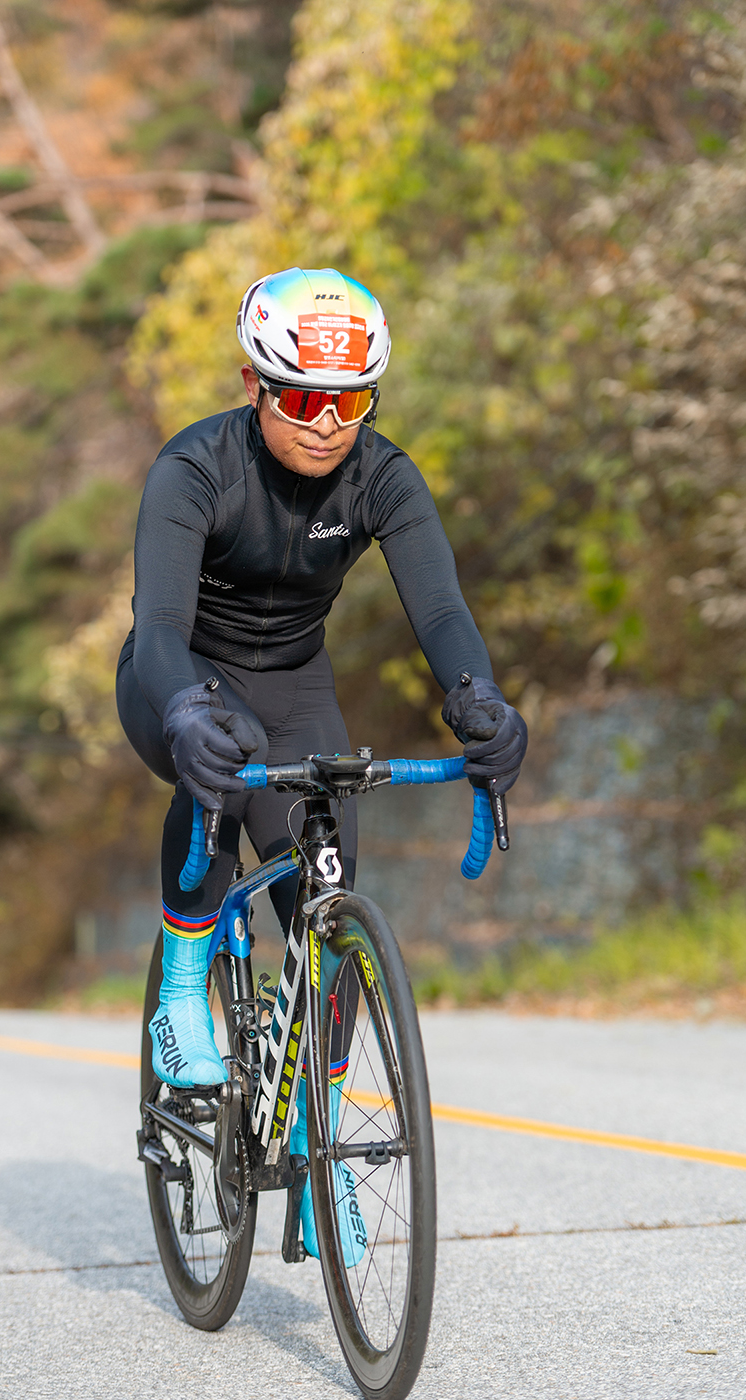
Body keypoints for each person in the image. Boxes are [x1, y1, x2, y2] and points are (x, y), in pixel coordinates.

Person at [117, 266, 527, 1252]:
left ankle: (318, 1139)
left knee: (328, 890)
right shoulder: (193, 467)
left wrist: (477, 695)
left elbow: (440, 609)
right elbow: (160, 626)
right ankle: (182, 983)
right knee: (216, 775)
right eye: (303, 400)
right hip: (179, 673)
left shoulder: (382, 475)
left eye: (351, 400)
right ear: (253, 385)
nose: (328, 423)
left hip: (296, 685)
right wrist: (184, 707)